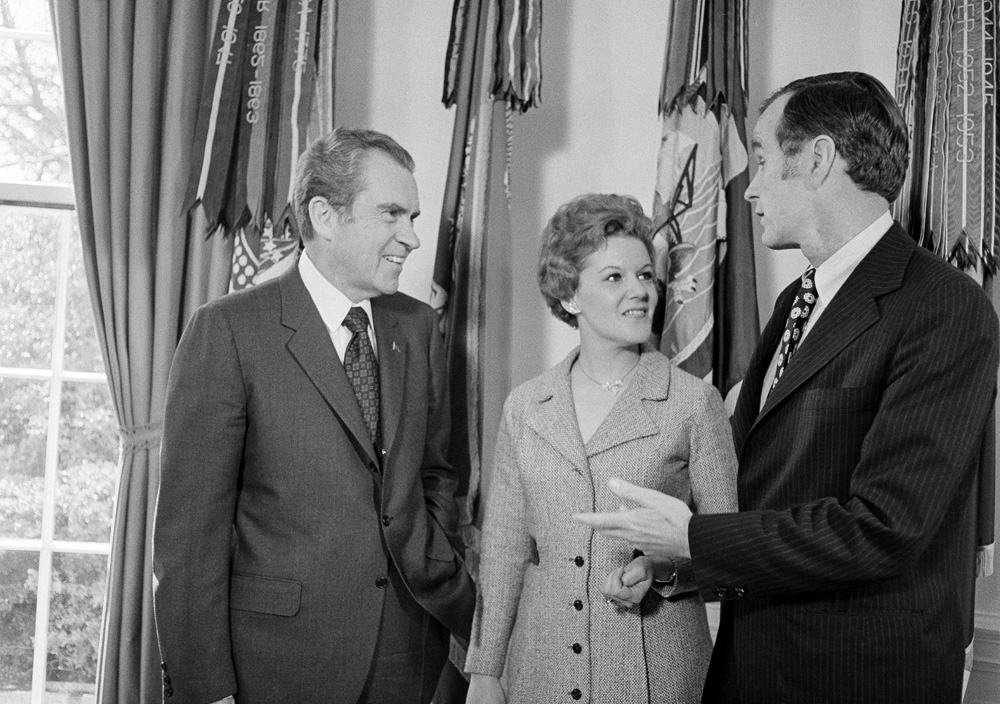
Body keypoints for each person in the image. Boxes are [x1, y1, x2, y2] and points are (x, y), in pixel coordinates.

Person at [576, 72, 1000, 703]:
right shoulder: (796, 300)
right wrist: (682, 565)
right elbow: (772, 488)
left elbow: (886, 526)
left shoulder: (942, 306)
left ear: (820, 158)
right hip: (758, 664)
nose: (748, 189)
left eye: (766, 159)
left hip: (858, 680)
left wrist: (694, 537)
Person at [153, 127, 475, 704]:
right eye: (393, 214)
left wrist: (434, 560)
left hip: (406, 658)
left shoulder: (419, 326)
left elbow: (437, 475)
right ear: (325, 216)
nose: (413, 237)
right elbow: (189, 540)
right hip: (273, 666)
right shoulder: (227, 331)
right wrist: (207, 693)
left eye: (414, 217)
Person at [464, 193, 738, 704]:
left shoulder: (695, 404)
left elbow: (731, 551)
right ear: (570, 296)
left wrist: (661, 570)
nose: (639, 292)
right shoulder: (525, 406)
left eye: (645, 276)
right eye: (614, 277)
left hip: (656, 674)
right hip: (538, 672)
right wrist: (484, 671)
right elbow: (503, 552)